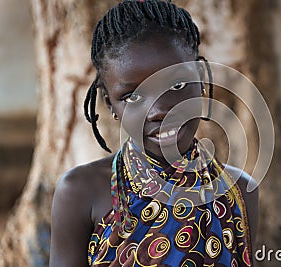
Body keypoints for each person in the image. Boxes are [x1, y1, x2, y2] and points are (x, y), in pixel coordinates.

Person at [49, 0, 258, 266]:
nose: (160, 110)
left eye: (178, 84)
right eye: (133, 96)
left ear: (202, 80)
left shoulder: (239, 190)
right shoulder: (79, 192)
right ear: (109, 102)